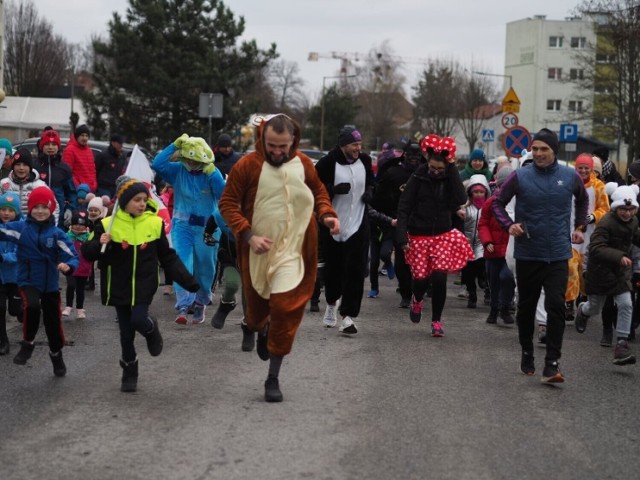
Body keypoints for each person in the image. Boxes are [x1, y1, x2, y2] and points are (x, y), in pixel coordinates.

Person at [219, 113, 339, 402]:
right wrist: (248, 235)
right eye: (271, 145)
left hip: (294, 253)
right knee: (259, 311)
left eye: (282, 146)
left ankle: (272, 378)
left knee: (286, 308)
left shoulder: (304, 164)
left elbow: (319, 191)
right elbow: (227, 204)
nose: (276, 151)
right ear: (263, 139)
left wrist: (327, 215)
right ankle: (253, 326)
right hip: (258, 252)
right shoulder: (247, 166)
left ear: (293, 141)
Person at [82, 177, 199, 392]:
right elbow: (88, 253)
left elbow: (168, 258)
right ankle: (129, 367)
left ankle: (151, 329)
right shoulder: (108, 224)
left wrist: (189, 282)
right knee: (126, 333)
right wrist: (100, 243)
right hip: (118, 285)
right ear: (124, 202)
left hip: (144, 285)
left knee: (138, 319)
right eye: (137, 200)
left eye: (144, 199)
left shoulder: (154, 224)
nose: (142, 203)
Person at [492, 128, 588, 383]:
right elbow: (497, 203)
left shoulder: (569, 176)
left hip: (557, 253)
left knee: (556, 307)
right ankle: (526, 351)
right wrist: (508, 225)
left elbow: (582, 199)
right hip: (528, 253)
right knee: (525, 309)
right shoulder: (520, 176)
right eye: (535, 149)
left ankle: (552, 363)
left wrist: (580, 226)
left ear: (554, 151)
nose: (538, 153)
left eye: (543, 149)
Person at [395, 134, 472, 336]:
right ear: (427, 164)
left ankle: (436, 321)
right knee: (420, 279)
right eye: (433, 168)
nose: (436, 172)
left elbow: (461, 198)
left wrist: (452, 169)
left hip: (442, 234)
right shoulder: (418, 178)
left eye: (440, 169)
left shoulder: (449, 177)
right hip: (418, 235)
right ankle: (417, 299)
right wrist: (402, 236)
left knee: (439, 278)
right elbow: (403, 207)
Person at [4, 186, 79, 377]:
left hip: (50, 285)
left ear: (51, 209)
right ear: (29, 209)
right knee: (32, 306)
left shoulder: (57, 234)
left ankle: (56, 354)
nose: (39, 211)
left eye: (44, 207)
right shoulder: (21, 229)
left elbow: (72, 255)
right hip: (28, 281)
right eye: (35, 207)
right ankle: (28, 343)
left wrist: (68, 266)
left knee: (53, 323)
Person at [151, 134, 226, 324]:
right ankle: (183, 306)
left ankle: (200, 303)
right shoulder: (177, 171)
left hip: (207, 229)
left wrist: (213, 173)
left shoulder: (211, 173)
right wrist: (174, 144)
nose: (192, 163)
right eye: (189, 159)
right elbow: (157, 164)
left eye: (196, 160)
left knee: (204, 267)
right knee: (182, 264)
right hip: (182, 226)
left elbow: (225, 195)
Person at [315, 126, 374, 335]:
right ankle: (331, 303)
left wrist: (368, 192)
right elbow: (314, 189)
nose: (358, 148)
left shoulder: (365, 161)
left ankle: (348, 317)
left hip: (358, 223)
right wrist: (333, 190)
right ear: (343, 145)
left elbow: (372, 183)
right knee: (334, 270)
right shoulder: (327, 163)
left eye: (359, 144)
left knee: (355, 271)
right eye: (354, 144)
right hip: (333, 223)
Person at [574, 184, 640, 366]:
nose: (627, 213)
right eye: (623, 209)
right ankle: (583, 310)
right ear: (616, 208)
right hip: (600, 271)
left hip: (620, 272)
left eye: (631, 209)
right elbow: (595, 248)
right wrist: (619, 257)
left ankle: (621, 344)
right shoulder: (606, 223)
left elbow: (635, 237)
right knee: (595, 308)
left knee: (626, 304)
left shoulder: (633, 222)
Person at [368, 141, 421, 306]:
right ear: (404, 154)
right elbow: (380, 195)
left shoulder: (426, 172)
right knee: (401, 261)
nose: (414, 158)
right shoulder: (393, 172)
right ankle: (406, 293)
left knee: (421, 261)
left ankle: (419, 291)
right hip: (400, 221)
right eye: (410, 154)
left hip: (422, 223)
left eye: (417, 155)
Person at [564, 153, 609, 321]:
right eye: (580, 168)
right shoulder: (569, 184)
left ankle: (582, 298)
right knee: (570, 268)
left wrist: (593, 217)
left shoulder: (598, 186)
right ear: (575, 168)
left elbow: (605, 209)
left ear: (591, 169)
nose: (583, 171)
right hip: (571, 234)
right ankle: (569, 303)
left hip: (591, 236)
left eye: (586, 168)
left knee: (584, 273)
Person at [478, 166, 516, 324]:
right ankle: (494, 310)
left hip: (510, 250)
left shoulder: (518, 201)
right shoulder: (491, 202)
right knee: (494, 282)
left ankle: (505, 308)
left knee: (507, 278)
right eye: (502, 185)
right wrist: (487, 242)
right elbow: (483, 224)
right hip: (493, 250)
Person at [458, 174, 491, 309]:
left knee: (481, 265)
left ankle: (485, 285)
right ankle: (472, 294)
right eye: (475, 192)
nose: (478, 194)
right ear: (470, 192)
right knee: (467, 273)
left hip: (481, 243)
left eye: (481, 192)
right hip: (466, 243)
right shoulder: (465, 207)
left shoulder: (488, 207)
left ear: (486, 192)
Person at [0, 148, 58, 222]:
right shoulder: (3, 184)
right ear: (13, 166)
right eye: (18, 164)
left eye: (25, 165)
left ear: (30, 167)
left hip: (32, 227)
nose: (21, 168)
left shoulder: (40, 185)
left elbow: (54, 206)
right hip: (7, 228)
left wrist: (51, 226)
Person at [36, 129, 77, 229]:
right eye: (47, 144)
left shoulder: (64, 168)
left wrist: (69, 209)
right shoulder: (34, 166)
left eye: (54, 144)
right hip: (37, 211)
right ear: (42, 146)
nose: (50, 147)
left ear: (58, 147)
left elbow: (71, 193)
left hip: (59, 215)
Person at [0, 193, 21, 355]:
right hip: (0, 277)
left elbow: (21, 253)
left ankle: (23, 311)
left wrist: (4, 257)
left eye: (10, 210)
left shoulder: (21, 228)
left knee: (14, 310)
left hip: (16, 278)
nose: (6, 213)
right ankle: (3, 341)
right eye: (3, 209)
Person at [62, 210, 93, 319]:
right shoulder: (67, 237)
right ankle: (68, 306)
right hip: (70, 266)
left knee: (80, 289)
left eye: (82, 225)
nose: (79, 227)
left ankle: (80, 309)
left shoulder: (89, 238)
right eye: (76, 224)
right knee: (71, 285)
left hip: (84, 267)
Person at [63, 124, 97, 192]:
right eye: (82, 135)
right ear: (77, 136)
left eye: (86, 136)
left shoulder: (89, 150)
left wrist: (94, 184)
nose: (84, 138)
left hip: (90, 190)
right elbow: (67, 172)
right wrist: (78, 186)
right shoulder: (70, 150)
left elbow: (92, 170)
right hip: (77, 190)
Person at [94, 133, 127, 198]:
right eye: (119, 143)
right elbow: (96, 170)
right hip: (104, 188)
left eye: (122, 143)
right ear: (113, 143)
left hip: (116, 188)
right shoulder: (103, 156)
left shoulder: (122, 156)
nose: (121, 145)